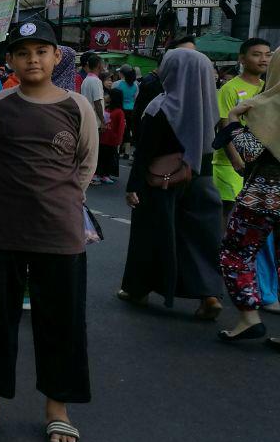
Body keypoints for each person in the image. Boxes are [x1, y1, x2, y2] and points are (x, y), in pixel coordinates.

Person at [0, 19, 98, 442]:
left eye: (41, 51)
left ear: (56, 57)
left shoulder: (78, 107)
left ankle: (58, 409)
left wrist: (54, 201)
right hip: (1, 231)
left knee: (61, 322)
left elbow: (86, 166)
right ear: (11, 61)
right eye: (23, 53)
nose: (32, 59)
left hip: (60, 234)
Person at [118, 49, 223, 322]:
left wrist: (133, 187)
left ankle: (138, 290)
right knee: (199, 241)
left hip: (162, 184)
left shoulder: (161, 107)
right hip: (202, 181)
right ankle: (208, 296)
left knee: (150, 237)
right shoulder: (210, 107)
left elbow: (144, 153)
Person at [215, 74, 280, 344]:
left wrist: (232, 119)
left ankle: (248, 318)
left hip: (262, 197)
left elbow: (251, 152)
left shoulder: (268, 105)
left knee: (236, 252)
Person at [213, 38, 272, 216]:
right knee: (230, 211)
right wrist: (235, 160)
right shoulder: (230, 89)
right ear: (242, 59)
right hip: (229, 164)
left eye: (267, 55)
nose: (263, 59)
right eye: (256, 54)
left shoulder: (268, 88)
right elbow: (224, 126)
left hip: (258, 163)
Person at [94, 88, 125, 185]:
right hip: (103, 138)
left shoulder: (119, 112)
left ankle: (105, 175)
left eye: (109, 95)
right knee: (101, 156)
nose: (106, 96)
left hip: (112, 140)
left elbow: (120, 128)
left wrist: (119, 140)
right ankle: (98, 174)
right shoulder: (107, 109)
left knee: (108, 158)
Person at [79, 52, 106, 129]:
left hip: (87, 119)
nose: (103, 66)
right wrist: (103, 120)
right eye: (102, 64)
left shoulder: (86, 80)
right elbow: (97, 103)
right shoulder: (96, 81)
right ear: (99, 65)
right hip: (95, 122)